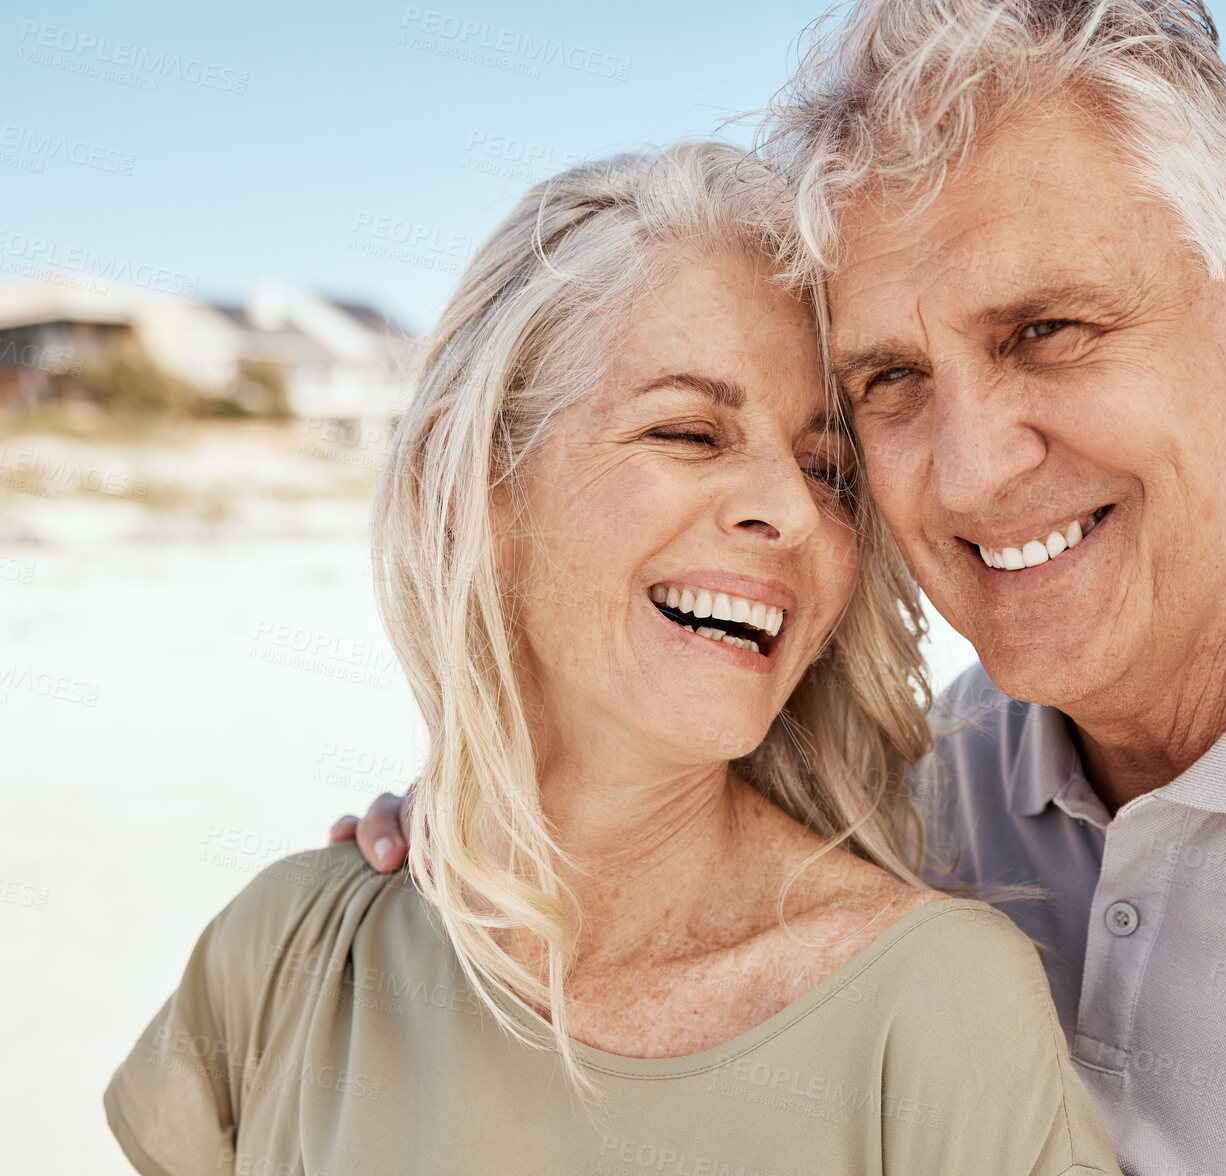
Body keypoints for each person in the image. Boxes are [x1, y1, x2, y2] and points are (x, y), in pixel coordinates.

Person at [343, 3, 1226, 1174]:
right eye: (890, 383)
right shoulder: (903, 814)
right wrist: (492, 826)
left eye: (1045, 333)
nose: (974, 471)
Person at [104, 142, 1119, 1176]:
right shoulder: (289, 948)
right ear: (473, 491)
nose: (789, 512)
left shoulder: (937, 1012)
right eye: (687, 432)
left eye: (826, 471)